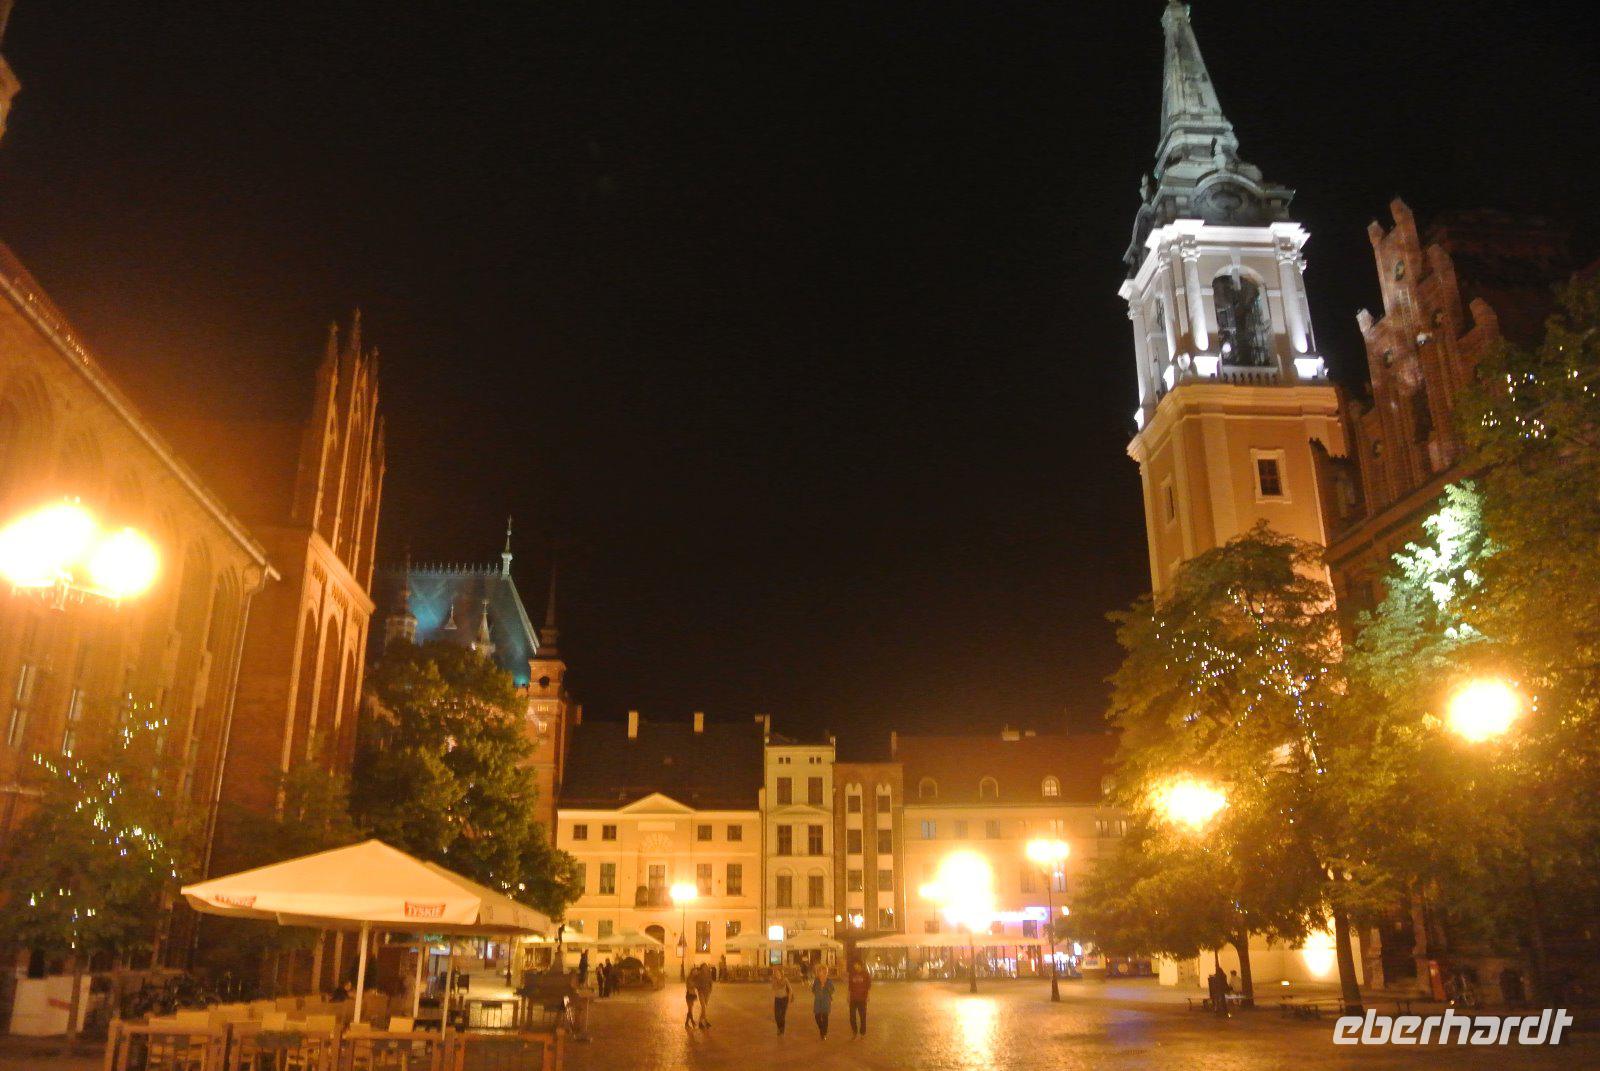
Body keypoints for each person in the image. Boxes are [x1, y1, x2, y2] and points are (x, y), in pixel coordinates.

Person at [846, 960, 871, 1038]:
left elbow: (868, 986)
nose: (855, 966)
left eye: (856, 965)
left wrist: (868, 995)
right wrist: (848, 995)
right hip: (853, 998)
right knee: (852, 1016)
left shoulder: (866, 974)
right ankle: (854, 1031)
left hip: (862, 998)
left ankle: (862, 1032)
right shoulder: (852, 974)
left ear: (860, 965)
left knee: (862, 1016)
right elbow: (850, 986)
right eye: (854, 965)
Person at [810, 965, 835, 1040]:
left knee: (825, 1017)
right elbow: (813, 989)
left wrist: (825, 986)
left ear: (826, 972)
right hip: (817, 1001)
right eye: (820, 971)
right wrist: (817, 993)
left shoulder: (829, 981)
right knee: (817, 1016)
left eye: (824, 972)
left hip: (826, 1001)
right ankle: (822, 1029)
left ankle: (824, 1034)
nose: (821, 973)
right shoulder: (816, 980)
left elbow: (832, 990)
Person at [770, 966, 793, 1036]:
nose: (777, 974)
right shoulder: (774, 981)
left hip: (784, 999)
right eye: (775, 973)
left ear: (781, 973)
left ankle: (781, 1029)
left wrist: (789, 1000)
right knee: (777, 1016)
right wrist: (772, 1001)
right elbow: (773, 990)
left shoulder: (785, 980)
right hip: (777, 999)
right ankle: (779, 1027)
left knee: (782, 1016)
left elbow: (790, 990)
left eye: (778, 973)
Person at [693, 960, 714, 1028]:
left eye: (706, 967)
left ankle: (703, 1021)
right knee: (703, 1007)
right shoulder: (698, 975)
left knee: (704, 1008)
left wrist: (710, 990)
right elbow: (695, 983)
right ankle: (702, 1022)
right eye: (704, 967)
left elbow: (711, 982)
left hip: (707, 992)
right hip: (701, 993)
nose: (706, 968)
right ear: (701, 968)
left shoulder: (708, 974)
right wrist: (698, 988)